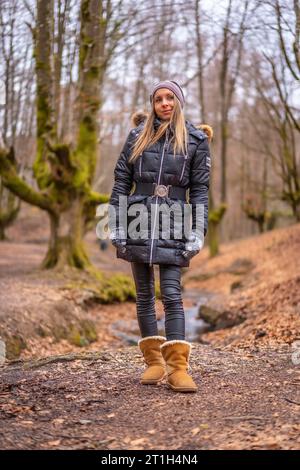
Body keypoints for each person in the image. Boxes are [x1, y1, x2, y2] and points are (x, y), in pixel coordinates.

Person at [108, 80, 212, 393]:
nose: (164, 103)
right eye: (158, 99)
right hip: (137, 216)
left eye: (170, 98)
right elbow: (121, 181)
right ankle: (153, 362)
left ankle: (178, 368)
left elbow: (201, 190)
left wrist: (198, 229)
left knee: (171, 293)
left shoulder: (196, 139)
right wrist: (114, 222)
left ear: (179, 102)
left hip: (175, 218)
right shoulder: (136, 136)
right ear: (153, 104)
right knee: (143, 294)